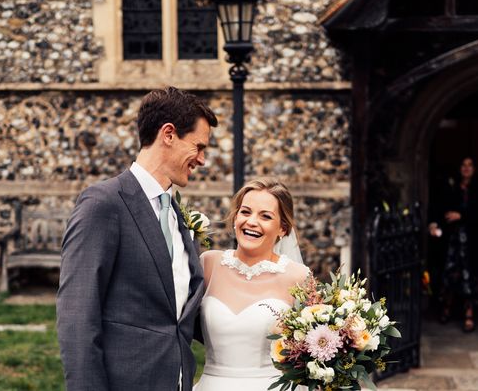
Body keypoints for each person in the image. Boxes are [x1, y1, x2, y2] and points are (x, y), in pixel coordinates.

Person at [56, 87, 218, 390]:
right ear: (168, 134)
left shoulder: (178, 216)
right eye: (198, 147)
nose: (202, 160)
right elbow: (77, 316)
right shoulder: (103, 204)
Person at [194, 179, 310, 391]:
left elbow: (313, 350)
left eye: (265, 216)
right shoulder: (208, 264)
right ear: (235, 216)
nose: (251, 222)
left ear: (283, 228)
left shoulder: (299, 277)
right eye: (245, 212)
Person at [428, 156, 478, 333]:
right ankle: (446, 308)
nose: (466, 168)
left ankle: (469, 314)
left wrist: (462, 215)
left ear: (475, 168)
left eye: (470, 165)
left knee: (469, 277)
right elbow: (439, 207)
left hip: (471, 242)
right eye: (463, 165)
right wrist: (434, 223)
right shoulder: (451, 186)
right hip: (452, 241)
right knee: (449, 275)